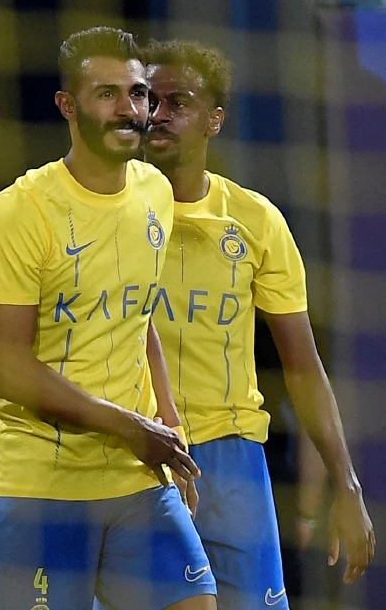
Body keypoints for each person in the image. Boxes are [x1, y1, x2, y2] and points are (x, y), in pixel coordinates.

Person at [0, 26, 216, 610]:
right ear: (67, 105)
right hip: (42, 489)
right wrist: (132, 428)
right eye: (107, 94)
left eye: (137, 94)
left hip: (137, 478)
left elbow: (140, 313)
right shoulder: (21, 211)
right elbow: (9, 370)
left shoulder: (155, 191)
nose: (129, 109)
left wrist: (169, 425)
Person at [143, 39, 375, 608]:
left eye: (179, 102)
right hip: (139, 452)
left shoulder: (255, 221)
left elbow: (303, 366)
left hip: (234, 462)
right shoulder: (111, 215)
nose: (159, 114)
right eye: (150, 100)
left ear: (215, 120)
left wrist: (346, 484)